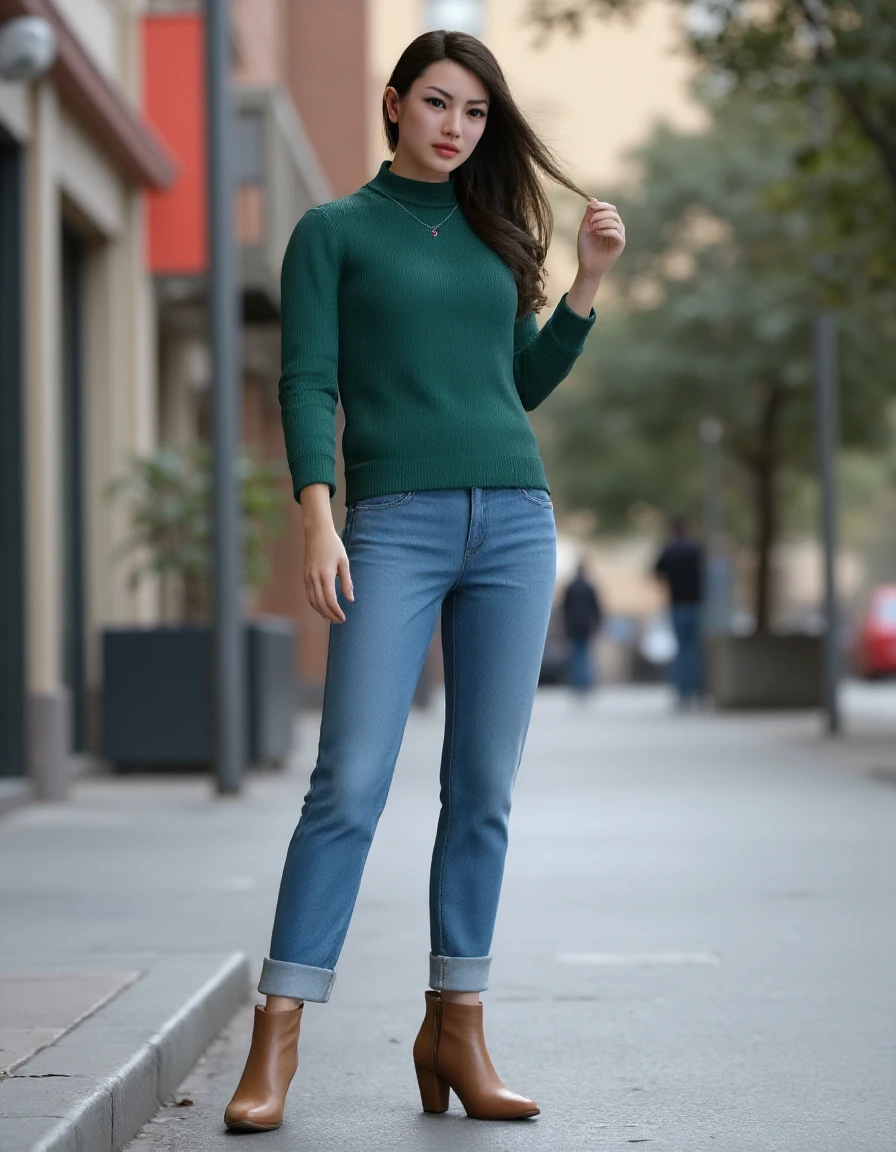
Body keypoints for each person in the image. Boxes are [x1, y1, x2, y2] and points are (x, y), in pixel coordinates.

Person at [223, 29, 625, 1133]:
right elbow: (306, 383)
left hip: (513, 524)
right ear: (394, 104)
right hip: (390, 525)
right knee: (347, 782)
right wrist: (317, 517)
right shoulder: (332, 232)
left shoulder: (495, 238)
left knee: (482, 791)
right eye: (438, 104)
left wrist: (584, 285)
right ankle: (279, 1035)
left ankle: (457, 1027)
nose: (455, 127)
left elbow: (515, 387)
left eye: (476, 113)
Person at [653, 514, 705, 708]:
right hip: (696, 604)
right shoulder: (696, 549)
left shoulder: (669, 550)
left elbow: (657, 572)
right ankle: (697, 690)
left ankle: (683, 693)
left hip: (677, 604)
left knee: (682, 650)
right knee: (695, 651)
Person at [562, 560, 604, 697]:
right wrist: (598, 623)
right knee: (585, 654)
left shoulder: (570, 587)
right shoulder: (589, 587)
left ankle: (577, 683)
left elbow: (565, 608)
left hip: (573, 625)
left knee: (575, 655)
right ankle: (585, 683)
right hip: (586, 625)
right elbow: (596, 608)